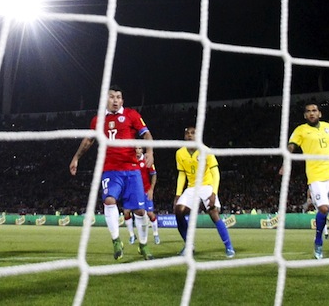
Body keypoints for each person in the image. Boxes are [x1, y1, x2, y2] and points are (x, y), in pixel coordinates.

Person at [69, 85, 155, 261]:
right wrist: (76, 157)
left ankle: (143, 245)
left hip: (132, 170)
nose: (115, 100)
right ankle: (116, 241)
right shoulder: (98, 120)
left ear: (122, 100)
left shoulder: (132, 115)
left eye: (118, 97)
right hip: (110, 169)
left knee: (140, 211)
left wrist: (150, 152)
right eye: (112, 97)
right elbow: (88, 141)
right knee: (108, 200)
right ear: (105, 99)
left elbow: (146, 135)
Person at [287, 103, 329, 258]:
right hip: (316, 177)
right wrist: (287, 156)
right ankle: (318, 242)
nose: (311, 113)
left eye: (314, 111)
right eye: (308, 111)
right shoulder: (300, 130)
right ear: (305, 116)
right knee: (323, 209)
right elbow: (291, 146)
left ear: (320, 113)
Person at [174, 126, 235, 258]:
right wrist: (178, 194)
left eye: (192, 133)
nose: (189, 135)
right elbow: (182, 175)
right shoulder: (180, 153)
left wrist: (214, 193)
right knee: (178, 211)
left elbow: (216, 174)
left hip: (206, 185)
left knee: (213, 212)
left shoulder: (206, 151)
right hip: (191, 188)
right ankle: (189, 246)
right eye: (187, 133)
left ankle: (229, 246)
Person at [124, 146, 159, 245]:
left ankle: (155, 234)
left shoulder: (147, 160)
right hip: (133, 192)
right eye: (135, 149)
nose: (137, 150)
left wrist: (151, 189)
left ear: (142, 150)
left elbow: (154, 174)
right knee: (126, 212)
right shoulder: (130, 161)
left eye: (139, 148)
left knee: (150, 214)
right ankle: (132, 235)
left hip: (145, 191)